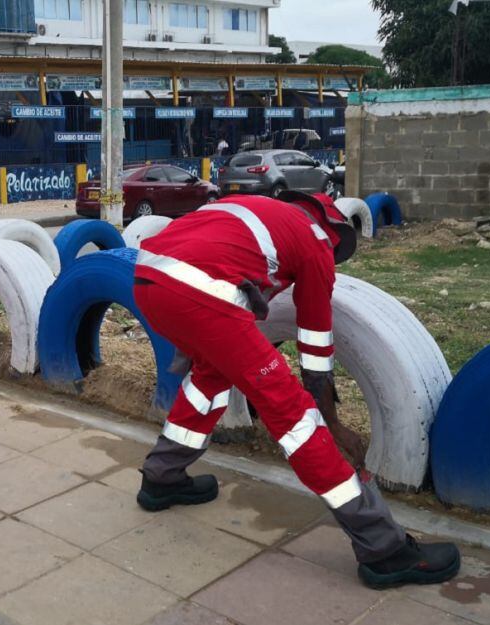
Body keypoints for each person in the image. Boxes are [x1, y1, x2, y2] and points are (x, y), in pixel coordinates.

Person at [131, 191, 460, 590]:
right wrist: (333, 425)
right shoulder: (318, 242)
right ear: (335, 231)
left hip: (147, 279)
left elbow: (206, 254)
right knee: (295, 418)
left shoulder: (255, 208)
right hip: (201, 291)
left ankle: (162, 476)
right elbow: (316, 349)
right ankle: (384, 549)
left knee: (210, 378)